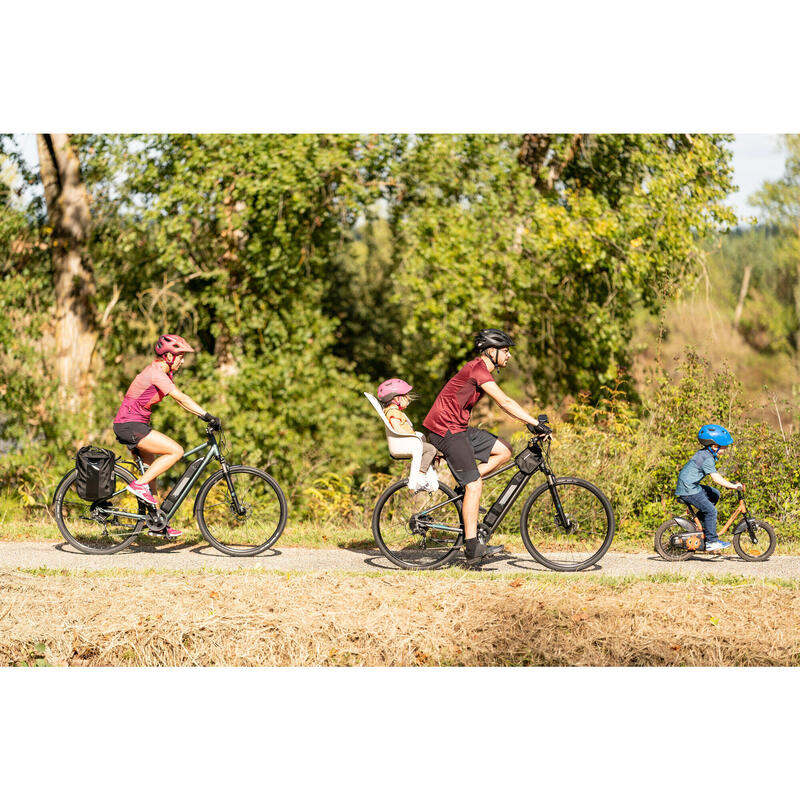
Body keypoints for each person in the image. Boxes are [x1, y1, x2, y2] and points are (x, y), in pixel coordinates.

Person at [422, 329, 543, 564]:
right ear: (491, 351)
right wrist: (534, 422)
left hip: (458, 428)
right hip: (445, 431)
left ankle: (466, 485)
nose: (508, 356)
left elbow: (503, 405)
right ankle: (472, 549)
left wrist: (528, 422)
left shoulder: (480, 370)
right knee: (475, 486)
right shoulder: (477, 369)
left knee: (504, 450)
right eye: (505, 351)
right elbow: (505, 401)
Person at [112, 334, 220, 538]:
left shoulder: (163, 374)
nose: (183, 360)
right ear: (169, 356)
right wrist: (207, 416)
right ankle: (138, 485)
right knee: (176, 451)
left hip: (134, 424)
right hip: (130, 425)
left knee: (152, 472)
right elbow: (182, 397)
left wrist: (201, 415)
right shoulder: (156, 373)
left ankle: (157, 521)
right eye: (180, 356)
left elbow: (179, 402)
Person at [675, 424, 743, 552]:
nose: (726, 449)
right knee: (711, 511)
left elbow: (717, 478)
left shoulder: (706, 454)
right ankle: (712, 542)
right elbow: (716, 478)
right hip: (688, 489)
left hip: (690, 485)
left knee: (714, 494)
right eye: (724, 446)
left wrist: (729, 484)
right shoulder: (707, 458)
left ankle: (699, 523)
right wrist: (734, 486)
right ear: (714, 446)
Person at [377, 378, 439, 492]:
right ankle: (420, 476)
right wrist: (411, 436)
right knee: (430, 449)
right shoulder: (393, 412)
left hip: (409, 443)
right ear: (396, 398)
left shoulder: (394, 412)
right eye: (406, 397)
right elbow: (397, 428)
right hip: (405, 444)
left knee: (429, 448)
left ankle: (429, 474)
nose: (408, 400)